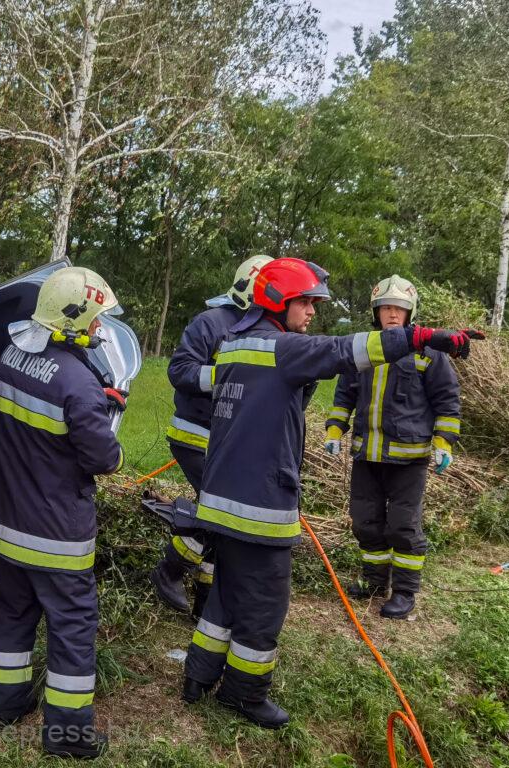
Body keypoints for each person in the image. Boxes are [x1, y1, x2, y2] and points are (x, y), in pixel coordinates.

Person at [179, 257, 482, 729]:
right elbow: (347, 350)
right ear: (280, 301)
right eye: (306, 302)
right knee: (264, 603)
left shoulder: (236, 345)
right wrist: (422, 336)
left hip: (220, 498)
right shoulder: (285, 349)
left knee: (226, 590)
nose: (312, 312)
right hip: (261, 505)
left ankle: (197, 677)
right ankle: (243, 692)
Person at [0, 266, 125, 759]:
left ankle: (6, 703)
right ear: (74, 322)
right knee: (73, 626)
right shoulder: (79, 383)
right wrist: (107, 415)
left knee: (12, 611)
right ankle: (68, 734)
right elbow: (103, 459)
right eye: (97, 321)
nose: (101, 330)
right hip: (55, 536)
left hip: (2, 524)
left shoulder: (12, 357)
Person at [324, 276, 461, 619]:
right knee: (365, 522)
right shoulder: (364, 349)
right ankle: (373, 582)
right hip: (366, 455)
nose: (392, 314)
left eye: (399, 308)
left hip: (409, 460)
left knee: (402, 525)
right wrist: (334, 428)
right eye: (386, 308)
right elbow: (345, 396)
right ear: (376, 312)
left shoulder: (429, 351)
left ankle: (404, 592)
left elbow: (447, 401)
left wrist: (444, 443)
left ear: (410, 312)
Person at [150, 255, 272, 619]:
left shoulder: (266, 330)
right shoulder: (212, 322)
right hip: (196, 436)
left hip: (233, 445)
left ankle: (206, 600)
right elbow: (180, 370)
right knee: (219, 513)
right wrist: (228, 376)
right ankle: (170, 569)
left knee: (226, 521)